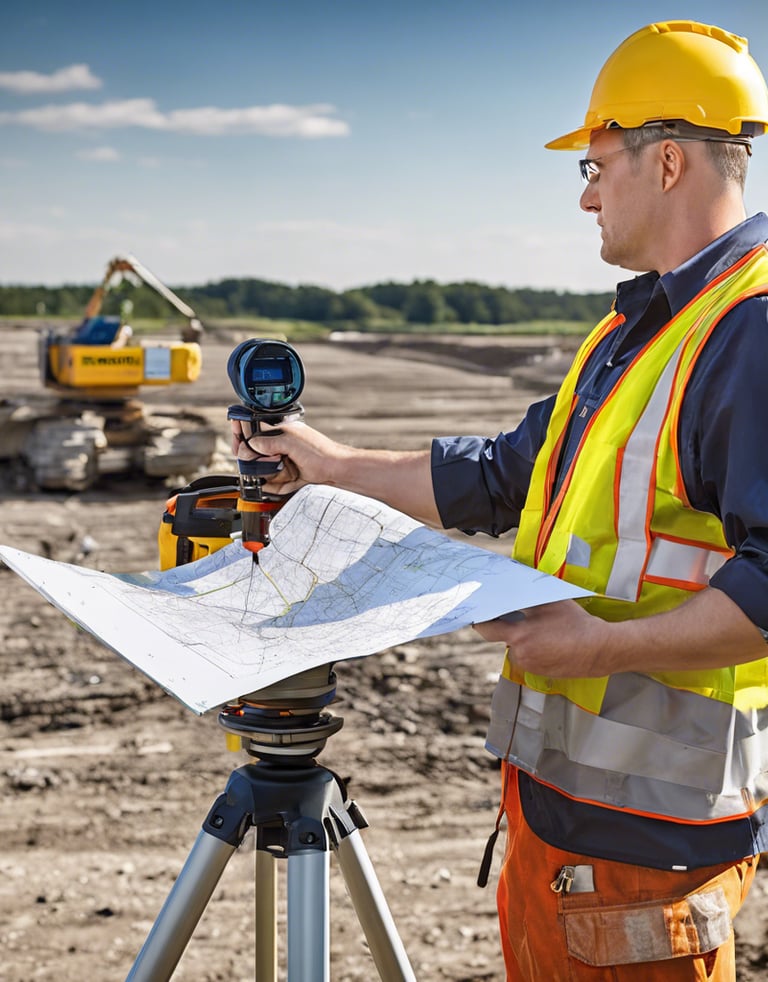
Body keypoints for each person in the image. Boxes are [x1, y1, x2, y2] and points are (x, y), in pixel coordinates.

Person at [231, 21, 768, 981]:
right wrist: (327, 461)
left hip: (650, 845)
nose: (585, 193)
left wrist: (594, 645)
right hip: (564, 824)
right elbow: (503, 475)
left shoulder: (749, 333)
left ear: (672, 160)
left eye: (598, 164)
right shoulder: (642, 327)